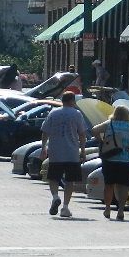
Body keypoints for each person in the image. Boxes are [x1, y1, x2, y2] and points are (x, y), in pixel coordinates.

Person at [92, 104, 129, 221]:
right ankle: (121, 210)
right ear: (127, 115)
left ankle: (107, 208)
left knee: (109, 185)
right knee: (123, 186)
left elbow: (94, 130)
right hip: (125, 160)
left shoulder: (109, 124)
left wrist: (101, 141)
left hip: (110, 159)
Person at [39, 91, 88, 219]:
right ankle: (65, 207)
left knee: (53, 177)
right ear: (72, 101)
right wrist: (83, 150)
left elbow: (45, 132)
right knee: (70, 180)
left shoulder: (53, 113)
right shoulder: (76, 114)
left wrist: (43, 148)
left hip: (56, 151)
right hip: (71, 152)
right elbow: (82, 134)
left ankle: (55, 197)